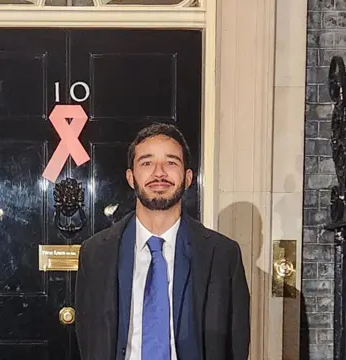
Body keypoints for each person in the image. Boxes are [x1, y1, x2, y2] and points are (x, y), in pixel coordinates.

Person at [74, 123, 250, 360]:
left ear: (188, 177)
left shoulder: (222, 255)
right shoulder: (95, 253)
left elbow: (236, 344)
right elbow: (89, 338)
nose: (159, 173)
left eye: (171, 162)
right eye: (146, 163)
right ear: (131, 176)